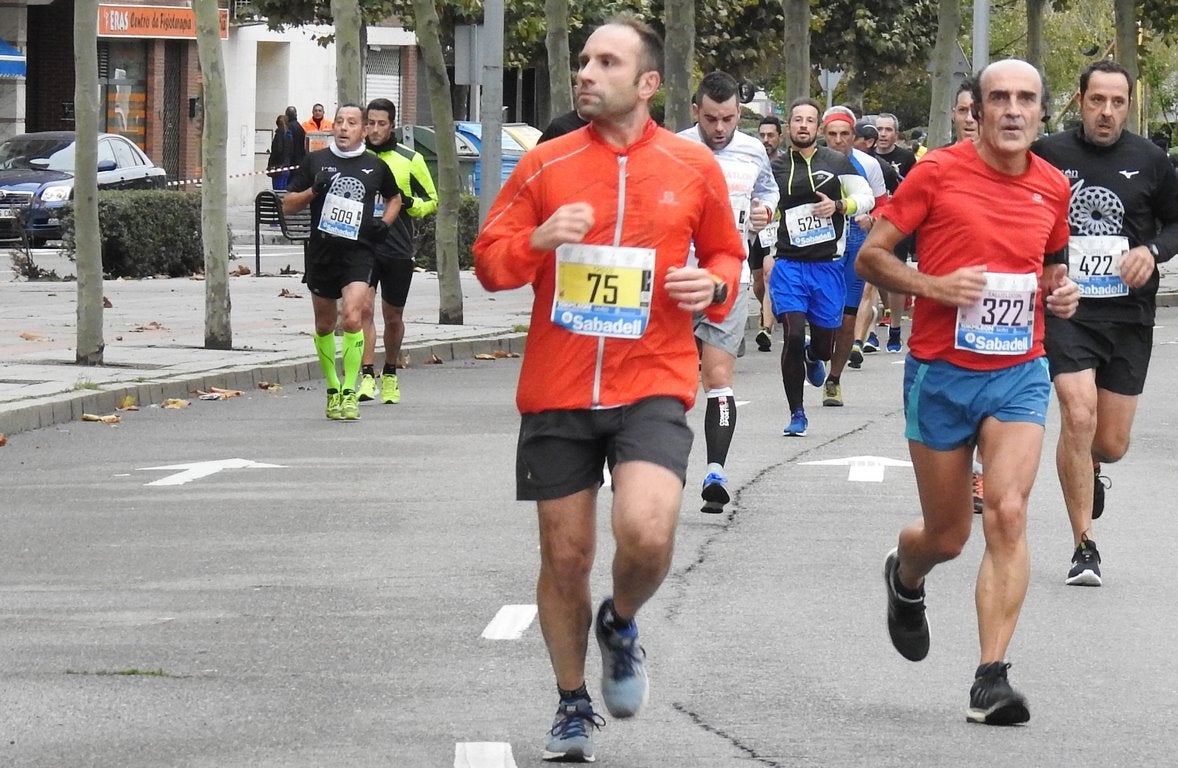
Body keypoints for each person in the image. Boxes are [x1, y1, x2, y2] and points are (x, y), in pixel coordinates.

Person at [472, 17, 745, 762]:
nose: (586, 72)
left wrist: (711, 283)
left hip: (652, 380)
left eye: (606, 62)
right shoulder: (545, 166)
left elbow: (727, 254)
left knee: (649, 532)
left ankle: (620, 622)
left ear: (647, 83)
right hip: (557, 388)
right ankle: (570, 705)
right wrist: (537, 240)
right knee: (565, 558)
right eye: (585, 59)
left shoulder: (693, 168)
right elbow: (490, 264)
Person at [857, 59, 1079, 725]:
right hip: (941, 373)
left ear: (1042, 113)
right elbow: (873, 256)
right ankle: (906, 574)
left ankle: (991, 678)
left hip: (1019, 371)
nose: (1013, 110)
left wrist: (1060, 293)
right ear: (977, 111)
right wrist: (934, 286)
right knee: (949, 535)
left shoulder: (1051, 187)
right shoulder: (938, 173)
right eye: (999, 99)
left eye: (1026, 99)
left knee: (1007, 511)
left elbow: (1051, 270)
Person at [1031, 60, 1178, 586]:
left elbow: (1175, 221)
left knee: (1109, 443)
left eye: (1118, 103)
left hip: (1129, 314)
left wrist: (1154, 250)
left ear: (1129, 105)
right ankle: (1083, 546)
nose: (1107, 112)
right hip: (1069, 310)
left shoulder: (1152, 159)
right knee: (1077, 411)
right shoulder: (1049, 153)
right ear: (1080, 100)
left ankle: (1090, 464)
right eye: (1098, 101)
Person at [677, 71, 778, 512]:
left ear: (740, 113)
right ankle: (657, 471)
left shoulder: (753, 149)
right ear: (696, 110)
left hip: (729, 278)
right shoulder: (674, 149)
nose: (720, 129)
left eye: (730, 119)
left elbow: (768, 192)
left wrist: (764, 212)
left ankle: (715, 473)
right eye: (712, 118)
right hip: (676, 280)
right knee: (672, 382)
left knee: (718, 377)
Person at [284, 104, 402, 420]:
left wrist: (386, 223)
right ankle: (333, 387)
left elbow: (395, 197)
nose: (344, 128)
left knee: (352, 317)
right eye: (339, 122)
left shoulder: (374, 166)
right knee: (325, 325)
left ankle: (350, 390)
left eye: (352, 123)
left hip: (359, 253)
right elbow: (288, 205)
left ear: (363, 130)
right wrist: (313, 190)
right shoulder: (316, 161)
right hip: (322, 253)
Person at [771, 98, 874, 436]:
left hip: (827, 267)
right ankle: (797, 413)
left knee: (823, 346)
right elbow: (767, 202)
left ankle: (814, 358)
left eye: (809, 120)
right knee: (793, 334)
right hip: (789, 264)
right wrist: (763, 214)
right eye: (796, 119)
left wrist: (841, 205)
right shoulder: (776, 165)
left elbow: (867, 197)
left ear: (817, 128)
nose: (802, 125)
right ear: (789, 126)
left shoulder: (836, 161)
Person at [357, 97, 440, 405]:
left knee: (392, 316)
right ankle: (367, 376)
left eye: (381, 124)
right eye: (370, 123)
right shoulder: (356, 156)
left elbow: (432, 198)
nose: (374, 130)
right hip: (362, 247)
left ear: (392, 125)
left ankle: (390, 372)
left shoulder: (410, 158)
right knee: (363, 309)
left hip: (398, 247)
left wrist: (409, 203)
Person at [819, 106, 887, 406]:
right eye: (832, 135)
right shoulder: (813, 162)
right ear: (824, 135)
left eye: (844, 134)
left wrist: (872, 218)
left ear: (853, 136)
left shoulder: (869, 165)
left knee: (848, 317)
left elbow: (884, 206)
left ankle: (834, 379)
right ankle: (816, 353)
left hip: (855, 246)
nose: (838, 141)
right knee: (822, 317)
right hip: (819, 247)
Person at [874, 112, 918, 353]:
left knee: (895, 272)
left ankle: (896, 327)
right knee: (874, 273)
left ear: (896, 134)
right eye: (879, 129)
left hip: (899, 221)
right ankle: (884, 314)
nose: (882, 134)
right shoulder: (867, 156)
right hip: (872, 221)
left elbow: (914, 190)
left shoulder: (905, 157)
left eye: (887, 130)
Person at [753, 115, 785, 352]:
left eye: (770, 135)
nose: (766, 140)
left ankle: (765, 327)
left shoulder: (785, 164)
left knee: (768, 273)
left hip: (779, 228)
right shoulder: (752, 162)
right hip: (756, 228)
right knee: (757, 282)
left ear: (779, 137)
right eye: (762, 135)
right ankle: (771, 310)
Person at [266, 114, 293, 191]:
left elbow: (278, 150)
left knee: (277, 190)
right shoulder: (289, 134)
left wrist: (271, 163)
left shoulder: (279, 135)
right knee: (284, 190)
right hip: (286, 165)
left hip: (278, 166)